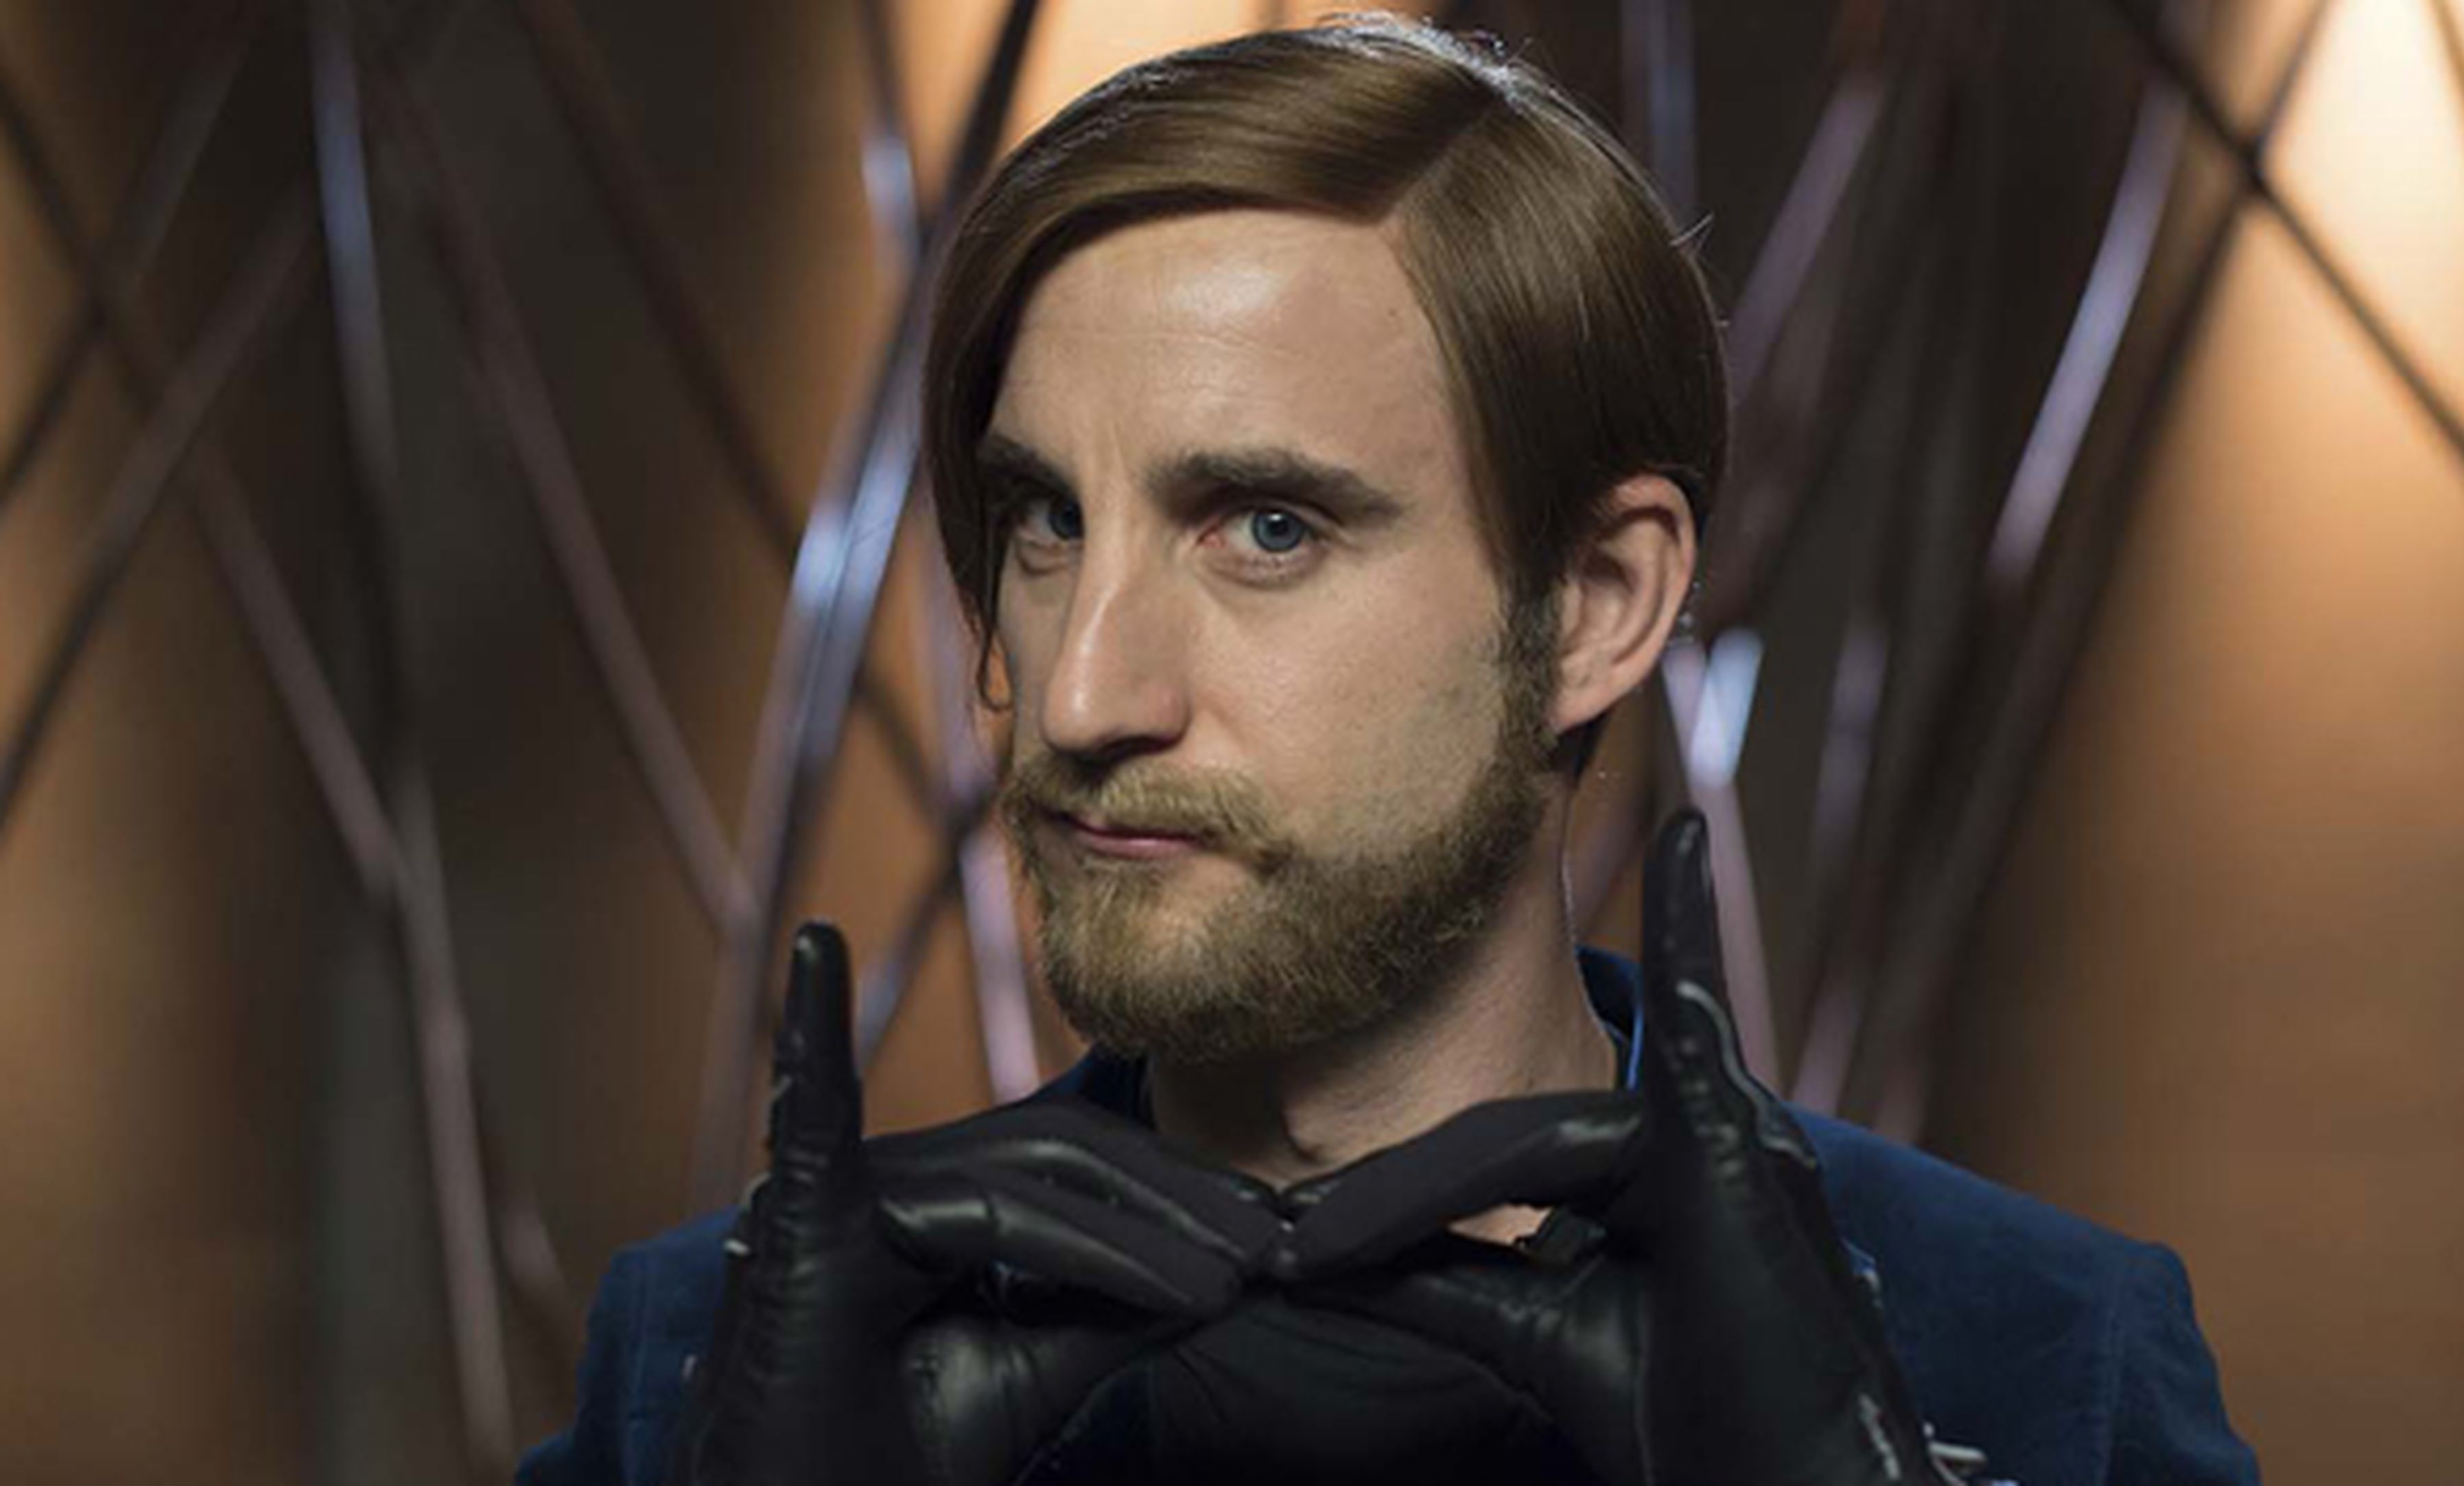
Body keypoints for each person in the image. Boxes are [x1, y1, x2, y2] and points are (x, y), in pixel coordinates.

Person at [519, 16, 2258, 1486]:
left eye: (1267, 526)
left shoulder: (2038, 1360)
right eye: (1046, 517)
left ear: (1597, 602)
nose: (1079, 697)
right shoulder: (709, 1367)